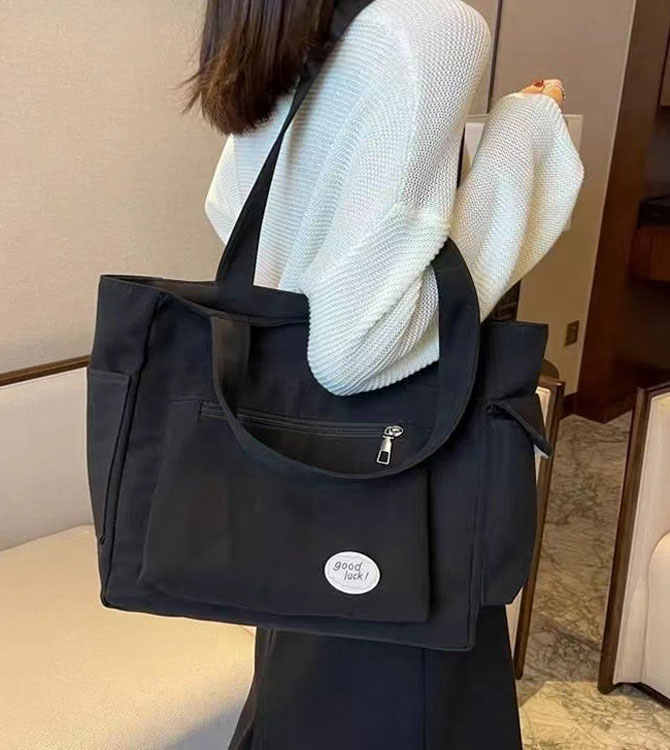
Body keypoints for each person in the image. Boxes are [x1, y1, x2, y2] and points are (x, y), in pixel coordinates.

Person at [189, 1, 584, 747]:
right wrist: (525, 139)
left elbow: (234, 214)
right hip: (400, 499)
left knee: (302, 707)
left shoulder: (277, 31)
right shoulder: (429, 28)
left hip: (294, 483)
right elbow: (355, 348)